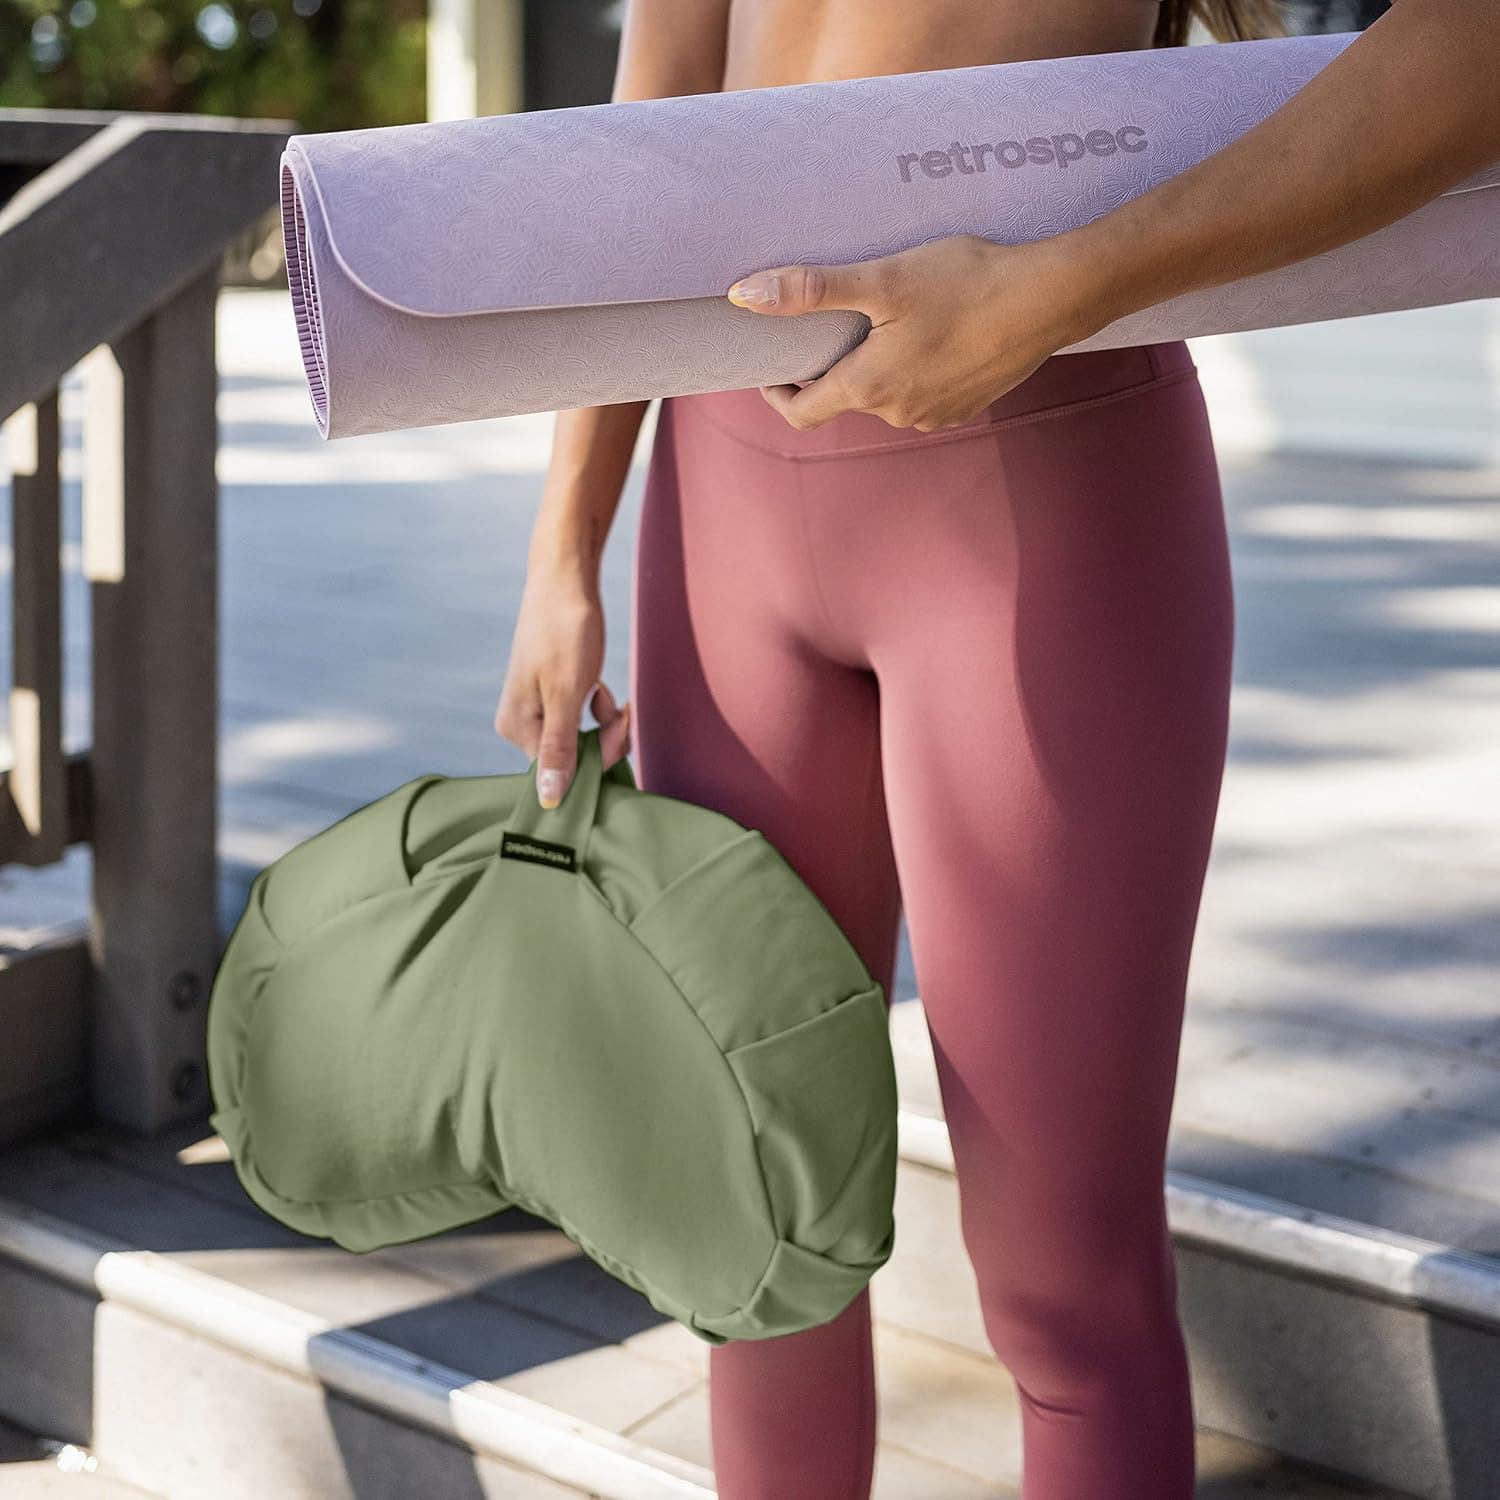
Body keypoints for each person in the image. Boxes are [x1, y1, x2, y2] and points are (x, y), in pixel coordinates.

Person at [493, 2, 1499, 1496]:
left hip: (1048, 487)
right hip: (724, 521)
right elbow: (658, 106)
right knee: (759, 1225)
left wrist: (1065, 284)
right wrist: (565, 542)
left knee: (1060, 1272)